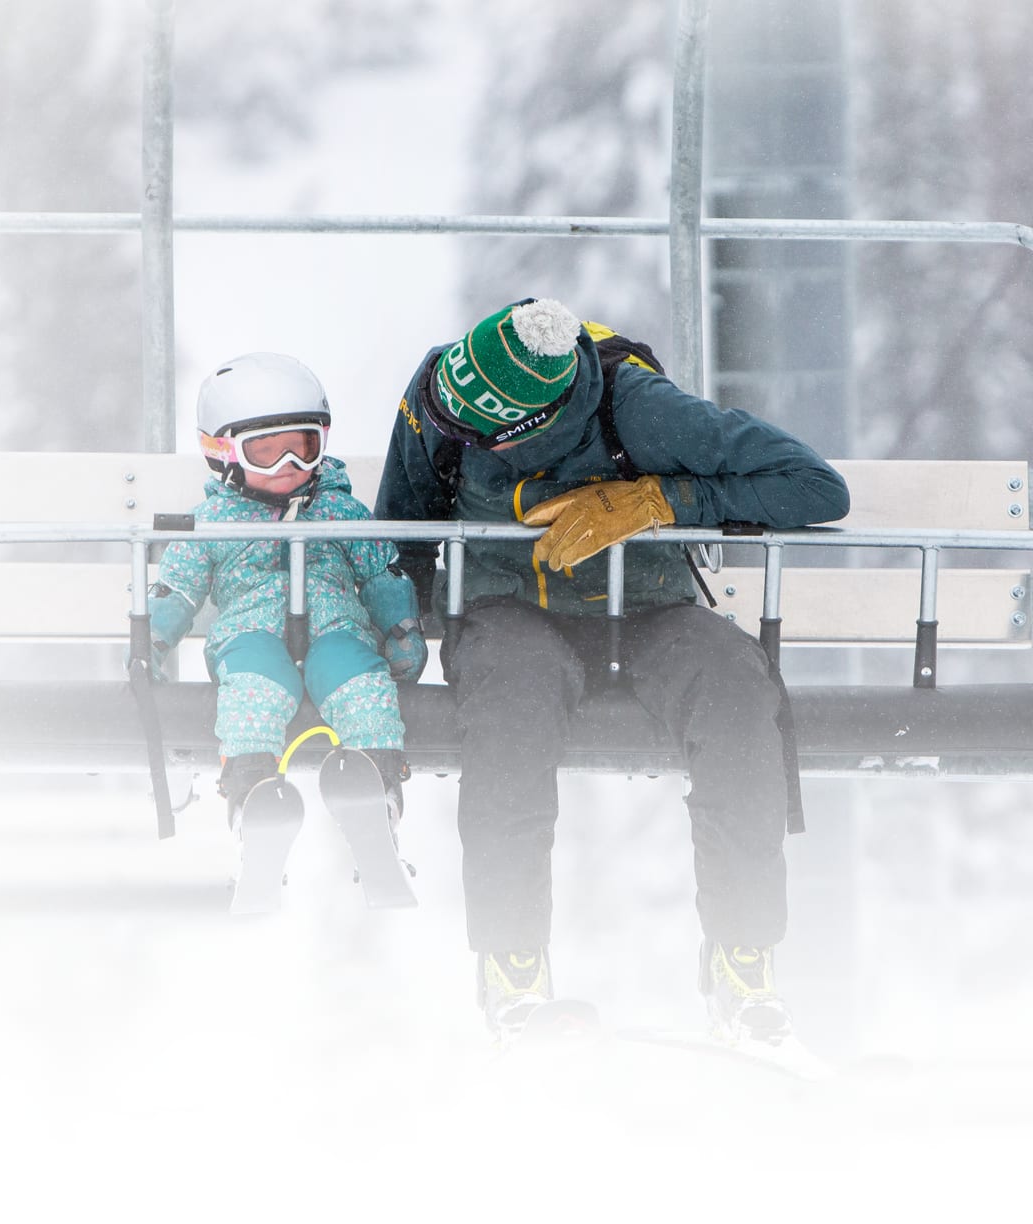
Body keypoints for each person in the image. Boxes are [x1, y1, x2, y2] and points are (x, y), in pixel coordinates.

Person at [376, 299, 849, 1043]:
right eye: (450, 423)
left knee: (735, 686)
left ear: (532, 426)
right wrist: (392, 630)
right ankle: (513, 965)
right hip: (509, 610)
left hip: (647, 608)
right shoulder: (441, 391)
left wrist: (661, 499)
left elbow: (815, 486)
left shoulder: (640, 409)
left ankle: (742, 957)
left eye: (478, 435)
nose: (456, 436)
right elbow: (402, 532)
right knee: (511, 708)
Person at [149, 352, 427, 830]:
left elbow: (381, 572)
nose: (288, 465)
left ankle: (375, 794)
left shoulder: (340, 511)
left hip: (337, 631)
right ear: (223, 453)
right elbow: (179, 587)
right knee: (253, 692)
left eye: (303, 447)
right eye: (265, 452)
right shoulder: (214, 522)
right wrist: (151, 641)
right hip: (249, 636)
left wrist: (401, 631)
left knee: (361, 684)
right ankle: (254, 797)